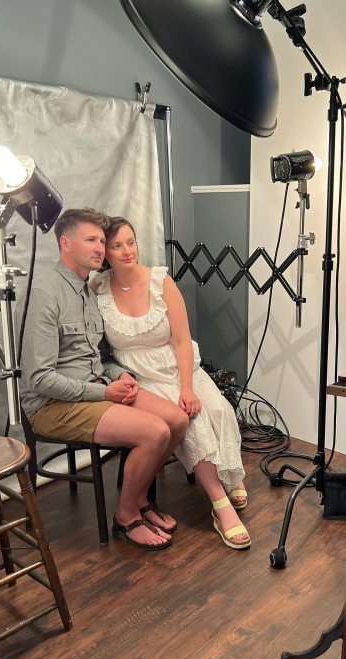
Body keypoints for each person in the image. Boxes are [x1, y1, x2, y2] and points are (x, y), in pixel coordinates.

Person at [17, 208, 189, 551]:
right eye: (92, 240)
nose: (100, 248)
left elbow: (99, 357)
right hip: (53, 404)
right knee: (154, 432)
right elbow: (39, 378)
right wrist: (103, 392)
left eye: (101, 241)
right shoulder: (46, 293)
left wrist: (118, 376)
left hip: (94, 388)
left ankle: (137, 497)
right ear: (66, 244)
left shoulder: (89, 289)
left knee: (177, 420)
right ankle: (126, 517)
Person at [93, 216, 250, 550]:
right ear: (105, 251)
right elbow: (97, 350)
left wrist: (187, 387)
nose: (126, 251)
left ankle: (231, 475)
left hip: (180, 368)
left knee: (217, 408)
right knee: (192, 421)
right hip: (140, 377)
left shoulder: (159, 281)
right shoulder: (97, 290)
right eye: (117, 245)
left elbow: (182, 341)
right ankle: (219, 503)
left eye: (131, 242)